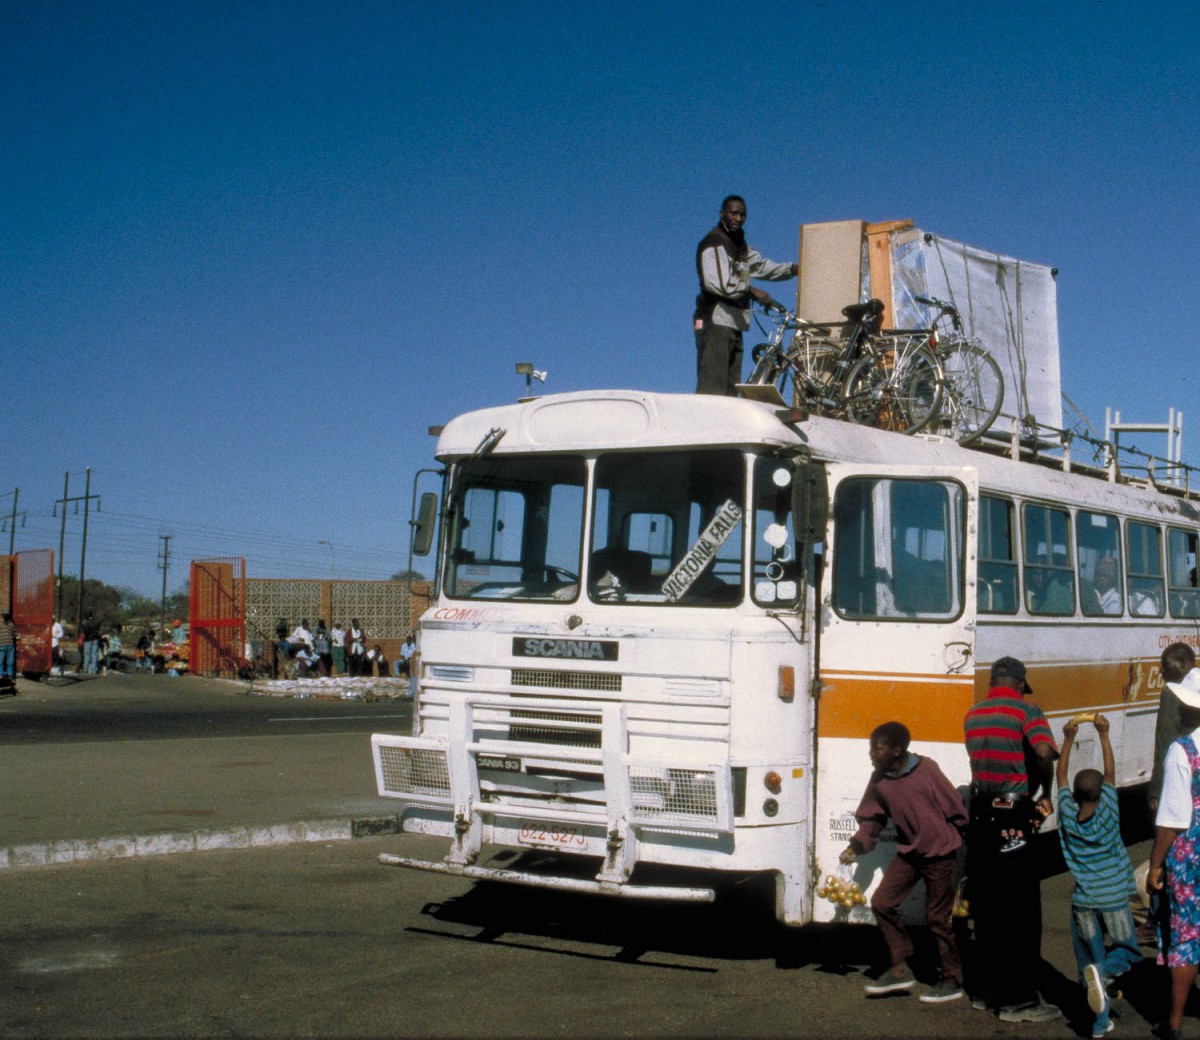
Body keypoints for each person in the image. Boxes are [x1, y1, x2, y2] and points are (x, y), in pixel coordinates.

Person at [962, 656, 1061, 1021]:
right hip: (1013, 815)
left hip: (981, 815)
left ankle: (987, 992)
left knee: (988, 906)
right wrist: (1045, 790)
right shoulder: (1027, 711)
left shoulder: (972, 714)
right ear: (1020, 683)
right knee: (1020, 908)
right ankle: (1019, 1000)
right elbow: (1043, 752)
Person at [839, 721, 967, 1003]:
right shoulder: (879, 780)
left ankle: (952, 980)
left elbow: (954, 806)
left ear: (897, 750)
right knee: (882, 902)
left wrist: (958, 838)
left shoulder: (927, 770)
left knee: (936, 918)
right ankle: (900, 967)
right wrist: (856, 846)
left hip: (940, 855)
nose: (871, 754)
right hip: (910, 855)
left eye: (877, 748)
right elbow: (872, 817)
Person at [1056, 713, 1141, 1038]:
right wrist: (1103, 734)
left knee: (1088, 959)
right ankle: (1103, 973)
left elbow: (1061, 775)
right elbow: (1110, 771)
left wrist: (1067, 738)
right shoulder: (1110, 808)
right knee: (1128, 950)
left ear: (1075, 795)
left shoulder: (1067, 812)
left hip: (1084, 902)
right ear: (1100, 793)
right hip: (1114, 899)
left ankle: (1100, 1021)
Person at [693, 194, 798, 395]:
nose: (739, 219)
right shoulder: (714, 242)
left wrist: (792, 270)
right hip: (715, 321)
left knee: (731, 389)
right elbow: (718, 284)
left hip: (734, 322)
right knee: (712, 387)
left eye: (743, 215)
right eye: (734, 214)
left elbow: (759, 266)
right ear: (722, 214)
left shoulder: (739, 243)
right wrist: (751, 291)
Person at [1147, 666, 1200, 1040]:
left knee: (1186, 936)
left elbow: (1172, 818)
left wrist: (1154, 864)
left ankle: (1175, 1023)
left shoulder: (1182, 751)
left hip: (1190, 852)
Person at [0, 611, 16, 681]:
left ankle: (1, 675)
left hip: (2, 645)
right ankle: (10, 676)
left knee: (1, 661)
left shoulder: (0, 625)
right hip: (10, 645)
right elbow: (15, 634)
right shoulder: (11, 624)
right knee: (10, 661)